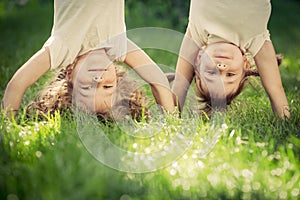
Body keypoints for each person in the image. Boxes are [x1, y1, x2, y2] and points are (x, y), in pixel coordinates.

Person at [2, 0, 175, 120]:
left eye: (87, 87)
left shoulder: (62, 48)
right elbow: (158, 80)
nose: (98, 79)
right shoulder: (117, 46)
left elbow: (17, 84)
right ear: (116, 77)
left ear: (69, 74)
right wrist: (172, 123)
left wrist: (8, 125)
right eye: (107, 87)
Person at [172, 0, 290, 118]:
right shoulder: (256, 40)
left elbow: (180, 84)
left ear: (198, 60)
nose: (221, 68)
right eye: (230, 74)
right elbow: (275, 89)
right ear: (245, 65)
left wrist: (171, 120)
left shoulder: (197, 33)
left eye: (212, 73)